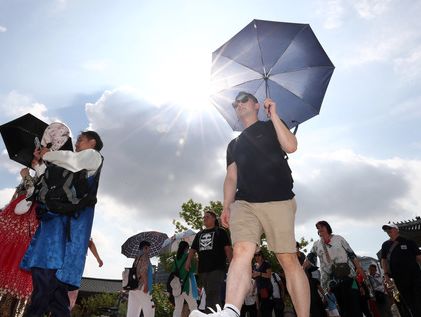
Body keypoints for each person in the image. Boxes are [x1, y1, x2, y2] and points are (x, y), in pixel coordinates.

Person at [190, 92, 310, 317]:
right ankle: (230, 311)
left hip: (278, 198)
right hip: (245, 202)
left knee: (287, 259)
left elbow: (291, 146)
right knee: (241, 251)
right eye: (235, 103)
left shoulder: (271, 125)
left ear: (256, 105)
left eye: (244, 99)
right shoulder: (233, 144)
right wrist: (226, 205)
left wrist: (274, 115)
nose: (239, 104)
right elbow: (231, 177)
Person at [21, 130, 104, 317]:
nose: (76, 143)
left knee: (44, 281)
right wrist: (40, 164)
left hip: (63, 235)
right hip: (57, 228)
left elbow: (72, 161)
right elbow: (51, 181)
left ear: (92, 142)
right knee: (57, 297)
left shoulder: (92, 156)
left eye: (80, 140)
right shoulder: (70, 165)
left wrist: (47, 154)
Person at [303, 220, 364, 317]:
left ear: (327, 227)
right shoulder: (317, 244)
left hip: (349, 277)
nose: (320, 229)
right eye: (318, 228)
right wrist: (301, 269)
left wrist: (359, 268)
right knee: (343, 309)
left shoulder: (338, 239)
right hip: (332, 281)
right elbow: (309, 258)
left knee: (355, 306)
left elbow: (351, 254)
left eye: (322, 226)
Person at [0, 167, 39, 317]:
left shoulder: (47, 172)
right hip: (13, 225)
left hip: (27, 225)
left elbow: (34, 193)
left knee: (17, 273)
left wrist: (26, 177)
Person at [186, 211, 232, 312]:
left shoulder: (221, 231)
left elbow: (227, 249)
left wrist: (232, 264)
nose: (204, 219)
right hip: (203, 270)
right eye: (204, 217)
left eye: (207, 217)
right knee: (209, 294)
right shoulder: (199, 234)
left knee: (213, 294)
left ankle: (212, 313)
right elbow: (193, 249)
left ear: (214, 219)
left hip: (217, 268)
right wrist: (188, 261)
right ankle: (214, 313)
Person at [380, 223, 421, 317]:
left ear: (396, 229)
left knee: (418, 298)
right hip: (398, 278)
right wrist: (386, 275)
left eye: (390, 228)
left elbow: (419, 257)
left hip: (415, 275)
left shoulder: (409, 241)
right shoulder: (385, 245)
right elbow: (384, 260)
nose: (388, 231)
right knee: (407, 301)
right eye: (386, 229)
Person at [68, 237, 104, 310]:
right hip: (66, 265)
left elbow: (90, 243)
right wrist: (98, 259)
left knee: (68, 297)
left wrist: (98, 259)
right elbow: (90, 243)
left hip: (75, 268)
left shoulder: (82, 230)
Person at [127, 240, 155, 317]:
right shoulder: (145, 256)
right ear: (145, 248)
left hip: (133, 287)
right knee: (150, 309)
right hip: (142, 287)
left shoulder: (136, 258)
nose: (149, 250)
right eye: (149, 248)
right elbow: (143, 271)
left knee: (132, 312)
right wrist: (146, 285)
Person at [173, 241, 199, 317]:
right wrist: (196, 261)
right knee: (193, 306)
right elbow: (194, 271)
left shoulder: (176, 259)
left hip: (177, 287)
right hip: (187, 285)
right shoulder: (189, 257)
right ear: (186, 248)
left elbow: (173, 272)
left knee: (177, 308)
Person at [252, 251, 273, 317]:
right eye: (255, 255)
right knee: (261, 310)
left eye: (259, 255)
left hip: (266, 289)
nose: (257, 256)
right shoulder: (255, 265)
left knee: (266, 310)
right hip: (259, 291)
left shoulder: (266, 263)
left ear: (262, 256)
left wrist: (259, 273)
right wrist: (253, 288)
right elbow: (256, 279)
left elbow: (269, 275)